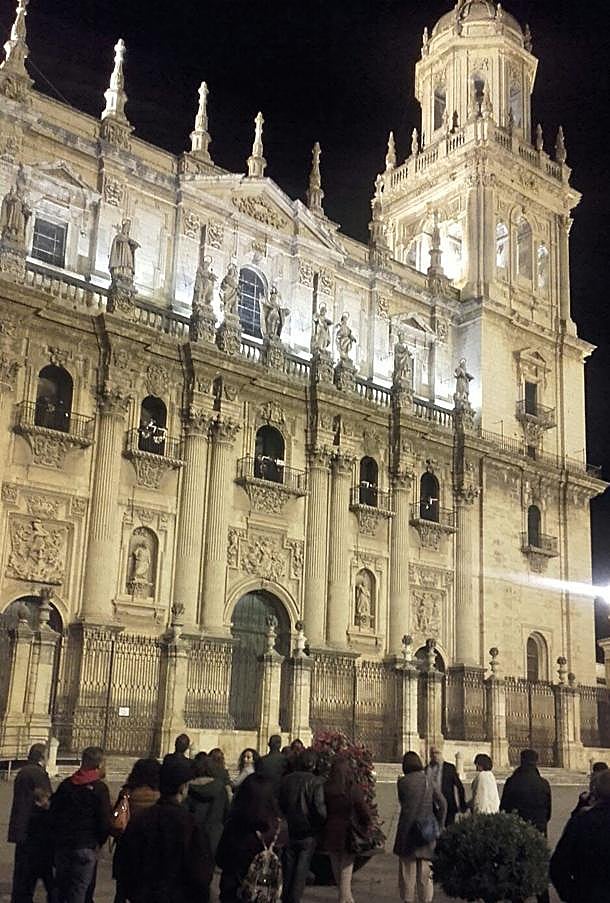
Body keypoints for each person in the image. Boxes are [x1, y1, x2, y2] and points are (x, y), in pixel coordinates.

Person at [118, 758, 214, 903]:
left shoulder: (142, 820)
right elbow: (200, 874)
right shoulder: (191, 824)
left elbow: (125, 864)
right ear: (183, 787)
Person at [50, 746, 113, 903]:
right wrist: (99, 841)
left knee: (61, 888)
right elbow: (104, 821)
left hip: (64, 845)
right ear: (99, 765)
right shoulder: (99, 789)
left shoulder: (66, 785)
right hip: (86, 846)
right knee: (79, 891)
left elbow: (53, 814)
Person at [216, 773, 288, 903]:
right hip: (266, 895)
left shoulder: (235, 826)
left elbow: (221, 858)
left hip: (235, 891)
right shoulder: (279, 827)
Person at [393, 751, 447, 903]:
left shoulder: (402, 782)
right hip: (426, 830)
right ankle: (426, 900)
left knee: (406, 872)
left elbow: (403, 802)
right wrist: (440, 823)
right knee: (425, 872)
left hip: (407, 829)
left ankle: (408, 899)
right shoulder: (428, 780)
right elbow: (443, 803)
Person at [550, 769, 610, 903]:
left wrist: (573, 896)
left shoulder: (581, 821)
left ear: (596, 792)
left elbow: (558, 867)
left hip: (587, 895)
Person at [500, 748, 551, 903]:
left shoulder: (512, 782)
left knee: (517, 871)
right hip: (538, 831)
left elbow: (504, 808)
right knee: (539, 870)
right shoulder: (543, 784)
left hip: (516, 831)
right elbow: (548, 812)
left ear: (521, 760)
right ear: (536, 762)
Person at [319, 757, 371, 903]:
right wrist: (366, 824)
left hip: (330, 830)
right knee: (346, 866)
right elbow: (363, 810)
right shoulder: (352, 789)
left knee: (336, 863)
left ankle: (345, 896)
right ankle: (344, 897)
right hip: (348, 832)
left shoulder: (326, 788)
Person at [8, 742, 54, 903]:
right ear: (43, 757)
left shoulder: (23, 772)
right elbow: (44, 800)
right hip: (35, 830)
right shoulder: (38, 774)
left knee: (22, 876)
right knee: (40, 875)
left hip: (22, 829)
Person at [279, 750, 327, 903]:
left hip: (289, 828)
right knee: (301, 867)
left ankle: (285, 897)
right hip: (308, 831)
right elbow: (319, 809)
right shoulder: (316, 782)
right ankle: (294, 898)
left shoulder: (286, 780)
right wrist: (321, 823)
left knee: (288, 866)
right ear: (314, 765)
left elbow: (279, 804)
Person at [112, 758, 161, 903]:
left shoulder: (127, 793)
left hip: (127, 845)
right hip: (150, 848)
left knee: (122, 891)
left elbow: (116, 816)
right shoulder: (159, 796)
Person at [184, 753, 229, 858]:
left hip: (193, 835)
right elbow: (226, 812)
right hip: (214, 836)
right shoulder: (220, 787)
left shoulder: (188, 787)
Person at [425, 745, 466, 826]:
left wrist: (462, 805)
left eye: (437, 753)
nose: (435, 755)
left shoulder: (449, 768)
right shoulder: (426, 769)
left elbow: (459, 787)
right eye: (432, 753)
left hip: (449, 806)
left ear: (441, 754)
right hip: (431, 807)